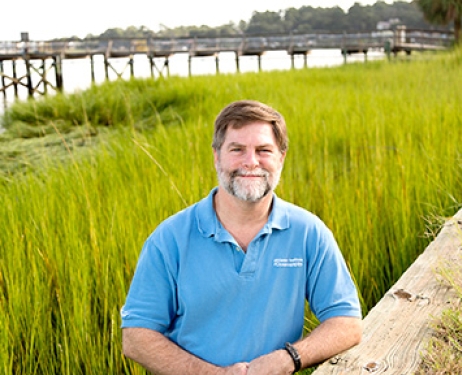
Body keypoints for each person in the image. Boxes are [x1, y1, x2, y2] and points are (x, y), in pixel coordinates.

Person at [121, 100, 362, 375]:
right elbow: (136, 337)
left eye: (263, 150)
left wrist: (288, 358)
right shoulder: (169, 239)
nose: (251, 162)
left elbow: (347, 322)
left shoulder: (308, 232)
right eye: (237, 150)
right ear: (217, 156)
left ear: (281, 157)